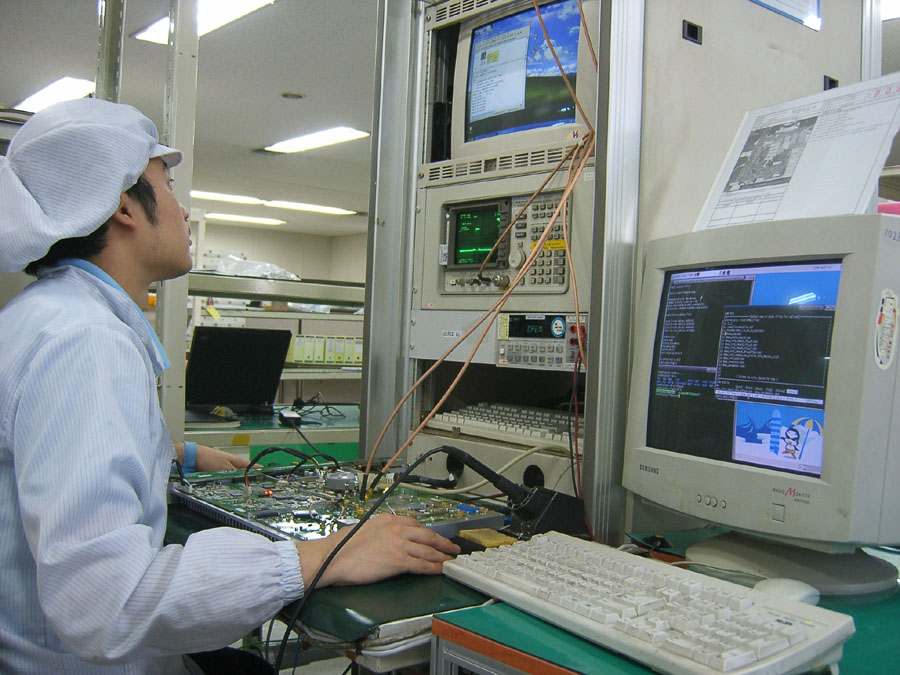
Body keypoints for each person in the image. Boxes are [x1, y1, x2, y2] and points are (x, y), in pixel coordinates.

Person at [0, 98, 460, 674]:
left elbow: (52, 455)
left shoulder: (45, 315)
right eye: (166, 184)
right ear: (123, 206)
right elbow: (105, 605)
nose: (183, 208)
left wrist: (186, 453)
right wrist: (317, 558)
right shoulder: (85, 342)